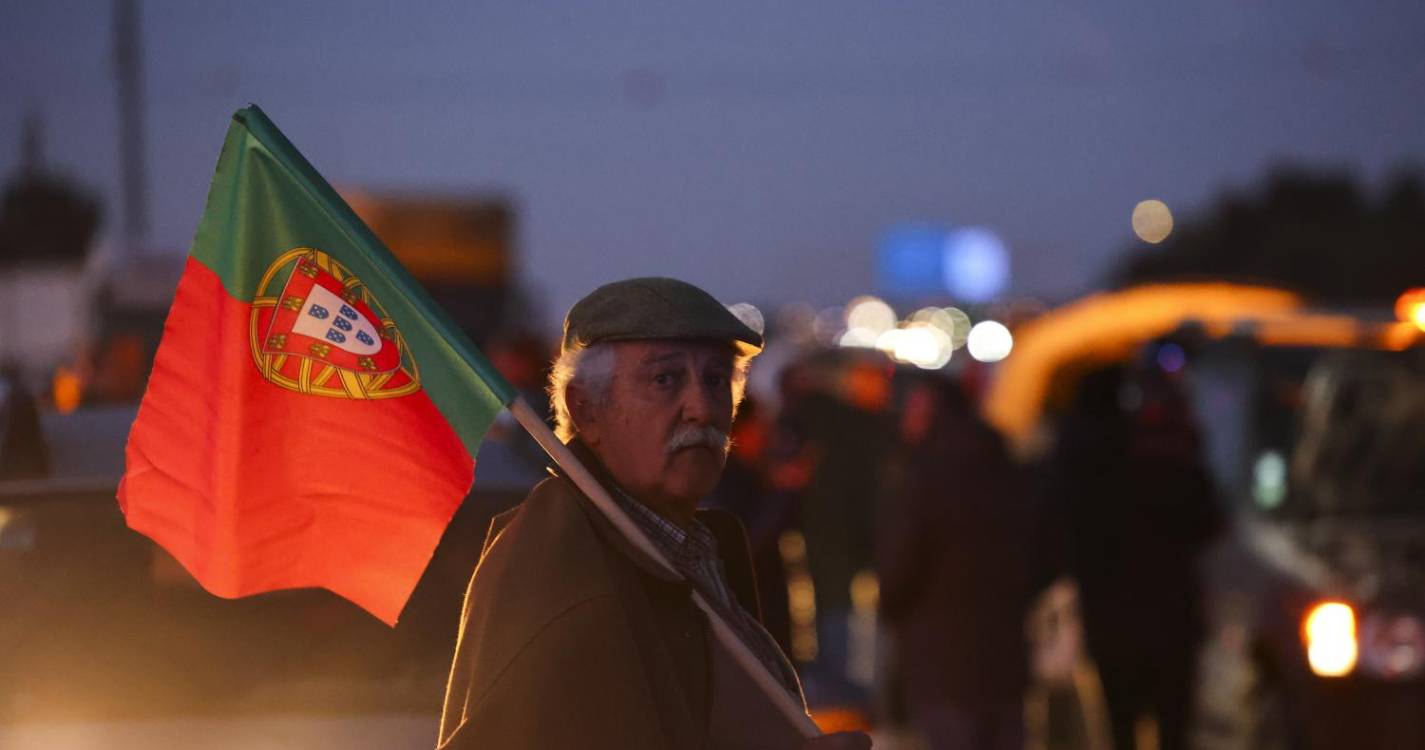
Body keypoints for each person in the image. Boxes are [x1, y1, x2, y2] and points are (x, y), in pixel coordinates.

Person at [437, 277, 871, 750]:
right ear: (585, 409)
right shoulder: (563, 571)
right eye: (665, 379)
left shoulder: (685, 545)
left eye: (716, 379)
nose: (701, 408)